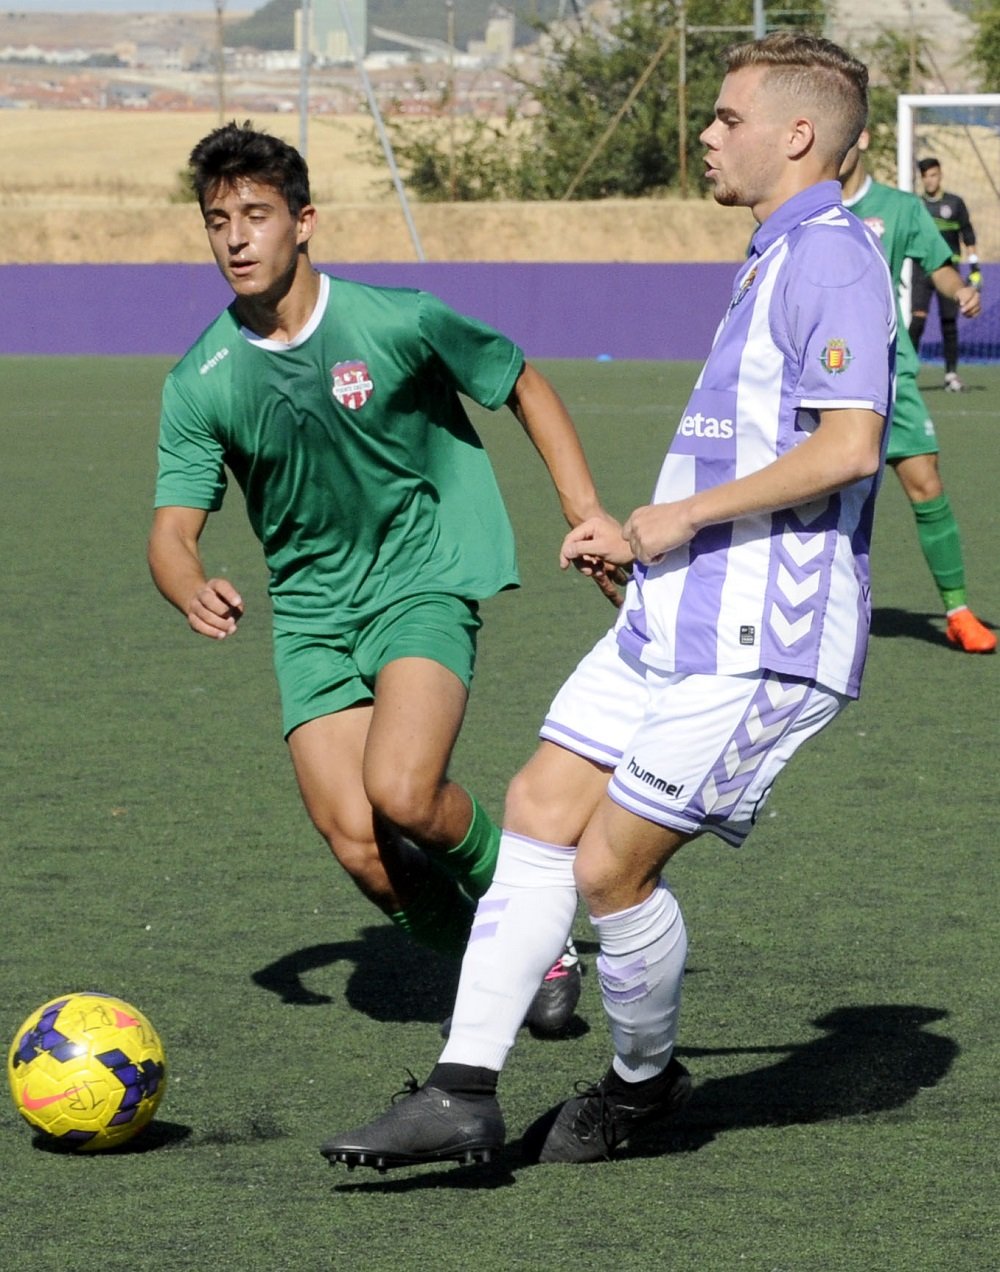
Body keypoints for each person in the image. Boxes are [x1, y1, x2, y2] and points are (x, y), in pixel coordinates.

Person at [320, 31, 897, 1172]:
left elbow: (848, 447)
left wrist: (676, 520)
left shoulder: (832, 256)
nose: (707, 134)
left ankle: (641, 1088)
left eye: (727, 117)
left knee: (609, 870)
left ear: (796, 135)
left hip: (760, 639)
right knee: (538, 806)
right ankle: (462, 1090)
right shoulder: (776, 253)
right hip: (676, 611)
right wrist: (639, 540)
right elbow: (752, 444)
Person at [148, 121, 622, 1032]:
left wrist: (583, 509)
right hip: (312, 618)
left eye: (256, 215)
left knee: (403, 792)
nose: (236, 239)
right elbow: (172, 530)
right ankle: (503, 958)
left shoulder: (398, 319)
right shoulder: (200, 379)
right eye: (217, 221)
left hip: (420, 582)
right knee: (361, 847)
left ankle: (539, 926)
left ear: (304, 222)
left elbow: (519, 380)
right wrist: (188, 581)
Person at [840, 133, 994, 654]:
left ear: (861, 135)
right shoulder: (803, 205)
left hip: (890, 370)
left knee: (926, 483)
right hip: (823, 378)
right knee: (816, 499)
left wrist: (962, 289)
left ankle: (957, 611)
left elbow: (939, 265)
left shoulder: (900, 208)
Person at [908, 157, 979, 392]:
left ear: (940, 175)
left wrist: (975, 268)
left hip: (949, 271)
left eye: (933, 175)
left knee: (949, 322)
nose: (930, 180)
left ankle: (951, 375)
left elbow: (968, 234)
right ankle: (906, 373)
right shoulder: (916, 206)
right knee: (917, 321)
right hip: (922, 271)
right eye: (925, 176)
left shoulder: (954, 203)